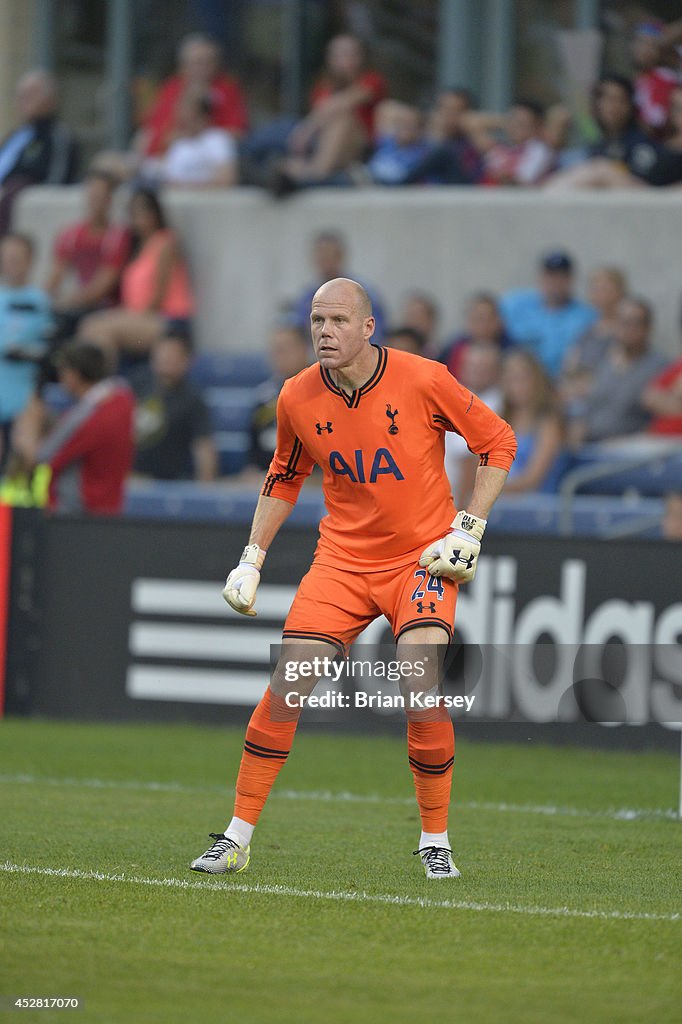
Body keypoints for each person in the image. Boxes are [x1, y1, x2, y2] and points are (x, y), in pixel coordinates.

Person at [189, 276, 516, 881]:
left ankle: (434, 838)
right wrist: (252, 557)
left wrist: (468, 529)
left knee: (420, 686)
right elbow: (284, 477)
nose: (325, 332)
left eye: (338, 321)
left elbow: (498, 442)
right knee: (289, 685)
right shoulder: (296, 396)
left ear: (369, 328)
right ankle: (236, 838)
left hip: (420, 558)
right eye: (317, 321)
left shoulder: (424, 377)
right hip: (341, 561)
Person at [78, 188, 194, 363]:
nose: (137, 216)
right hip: (138, 318)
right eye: (133, 211)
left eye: (142, 210)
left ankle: (105, 386)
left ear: (155, 212)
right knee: (90, 325)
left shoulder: (166, 242)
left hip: (167, 319)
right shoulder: (135, 248)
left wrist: (131, 317)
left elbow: (158, 296)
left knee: (103, 330)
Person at [25, 341, 134, 515]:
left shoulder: (86, 417)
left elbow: (41, 456)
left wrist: (30, 417)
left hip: (78, 513)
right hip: (111, 507)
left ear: (73, 375)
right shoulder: (123, 400)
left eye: (63, 371)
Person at [271, 34, 386, 193]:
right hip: (325, 146)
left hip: (362, 149)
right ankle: (305, 174)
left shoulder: (372, 80)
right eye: (338, 54)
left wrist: (305, 128)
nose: (345, 60)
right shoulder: (323, 87)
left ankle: (315, 176)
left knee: (342, 119)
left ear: (361, 57)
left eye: (350, 54)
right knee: (284, 158)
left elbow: (342, 103)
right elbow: (322, 116)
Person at [572, 298, 668, 446]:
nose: (627, 329)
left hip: (628, 451)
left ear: (647, 328)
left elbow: (663, 418)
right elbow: (587, 401)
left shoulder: (660, 368)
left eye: (634, 323)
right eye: (622, 322)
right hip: (588, 443)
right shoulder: (604, 362)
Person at [46, 169, 131, 331]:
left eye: (100, 196)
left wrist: (68, 301)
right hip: (78, 304)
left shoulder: (117, 237)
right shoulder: (70, 235)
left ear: (109, 199)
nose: (95, 201)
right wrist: (45, 299)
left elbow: (103, 286)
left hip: (106, 307)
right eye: (92, 195)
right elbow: (56, 275)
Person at [138, 33, 248, 158]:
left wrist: (194, 137)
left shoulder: (227, 88)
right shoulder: (172, 87)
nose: (203, 68)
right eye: (197, 62)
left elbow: (239, 133)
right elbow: (151, 130)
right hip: (161, 158)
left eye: (209, 61)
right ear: (183, 66)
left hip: (206, 160)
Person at [544, 76, 660, 190]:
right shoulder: (596, 144)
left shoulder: (641, 145)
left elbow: (643, 191)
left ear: (631, 106)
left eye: (620, 100)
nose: (613, 107)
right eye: (607, 100)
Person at [0, 70, 78, 236]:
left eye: (31, 94)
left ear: (50, 99)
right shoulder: (16, 135)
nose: (23, 99)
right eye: (20, 94)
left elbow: (56, 181)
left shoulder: (57, 136)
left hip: (25, 208)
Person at [132, 331, 216, 481]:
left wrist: (206, 486)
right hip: (130, 477)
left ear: (187, 360)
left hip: (167, 481)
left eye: (172, 354)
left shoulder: (193, 399)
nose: (165, 358)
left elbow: (203, 445)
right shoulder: (137, 384)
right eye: (161, 352)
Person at [500, 251, 596, 378]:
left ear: (570, 280)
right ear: (541, 277)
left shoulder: (586, 317)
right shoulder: (516, 305)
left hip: (560, 383)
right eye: (550, 275)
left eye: (561, 277)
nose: (555, 282)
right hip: (516, 379)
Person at [0, 233, 52, 464]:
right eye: (6, 257)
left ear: (30, 261)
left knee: (26, 459)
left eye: (16, 258)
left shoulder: (39, 302)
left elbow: (46, 350)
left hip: (24, 399)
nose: (10, 263)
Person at [291, 230, 386, 341]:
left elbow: (377, 332)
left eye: (330, 256)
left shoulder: (363, 293)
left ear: (340, 257)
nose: (326, 262)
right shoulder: (306, 299)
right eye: (322, 257)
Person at [560, 267, 628, 419]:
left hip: (605, 405)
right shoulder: (585, 333)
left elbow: (618, 373)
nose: (601, 294)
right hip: (577, 400)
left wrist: (588, 386)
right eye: (596, 289)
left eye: (606, 289)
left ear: (620, 293)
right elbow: (569, 367)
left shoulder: (625, 335)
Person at [246, 324, 312, 474]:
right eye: (276, 350)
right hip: (268, 481)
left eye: (287, 348)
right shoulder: (263, 398)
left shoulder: (324, 394)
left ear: (304, 350)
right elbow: (253, 455)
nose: (281, 355)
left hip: (310, 483)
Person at [141, 86, 238, 188]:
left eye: (186, 108)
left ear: (201, 114)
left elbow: (226, 180)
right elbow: (156, 170)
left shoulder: (217, 140)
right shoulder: (177, 142)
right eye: (180, 107)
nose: (179, 113)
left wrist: (181, 186)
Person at [499, 350, 564, 494]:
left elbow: (533, 479)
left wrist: (489, 490)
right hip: (500, 497)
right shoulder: (500, 419)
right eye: (509, 378)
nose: (515, 385)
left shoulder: (548, 423)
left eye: (521, 378)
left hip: (536, 504)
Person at [465, 99, 556, 186]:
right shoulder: (500, 149)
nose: (514, 126)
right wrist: (506, 122)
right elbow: (470, 121)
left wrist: (502, 176)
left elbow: (521, 183)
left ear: (536, 125)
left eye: (522, 123)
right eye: (512, 120)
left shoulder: (539, 150)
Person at [403, 87, 482, 185]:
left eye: (455, 110)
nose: (448, 116)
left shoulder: (473, 146)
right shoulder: (422, 140)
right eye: (444, 109)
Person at [440, 292, 512, 380]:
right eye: (477, 318)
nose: (482, 325)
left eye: (487, 319)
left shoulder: (511, 351)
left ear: (498, 320)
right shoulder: (452, 349)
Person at [365, 103, 430, 185]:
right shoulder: (386, 142)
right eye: (402, 123)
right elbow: (384, 109)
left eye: (410, 124)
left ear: (419, 130)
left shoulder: (422, 152)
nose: (405, 128)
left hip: (394, 189)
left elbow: (401, 177)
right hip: (366, 182)